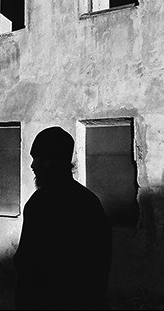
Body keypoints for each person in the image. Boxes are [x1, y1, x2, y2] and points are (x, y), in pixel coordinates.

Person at [13, 126, 112, 310]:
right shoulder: (90, 201)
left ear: (50, 161)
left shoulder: (40, 203)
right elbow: (101, 263)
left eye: (36, 158)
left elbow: (27, 263)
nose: (32, 165)